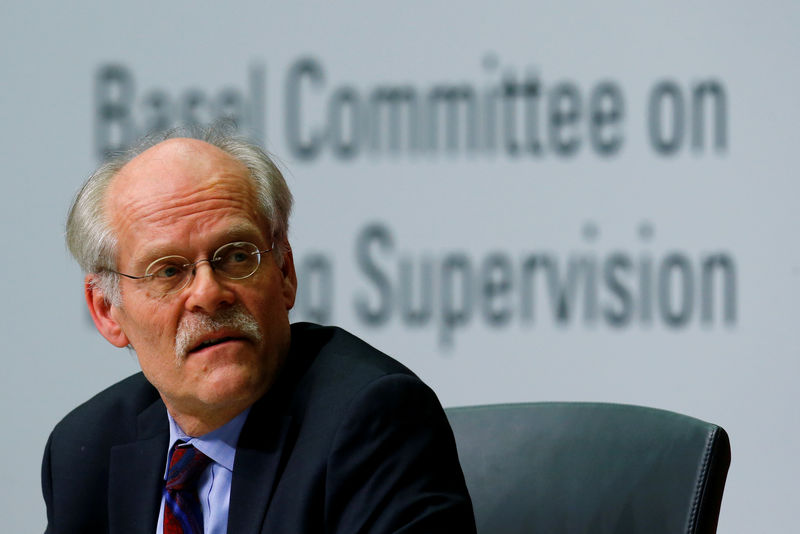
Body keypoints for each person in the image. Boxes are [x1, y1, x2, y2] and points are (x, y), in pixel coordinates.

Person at [42, 124, 476, 534]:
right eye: (169, 270)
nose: (209, 294)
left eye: (235, 256)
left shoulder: (373, 422)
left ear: (285, 271)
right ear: (106, 311)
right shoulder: (86, 450)